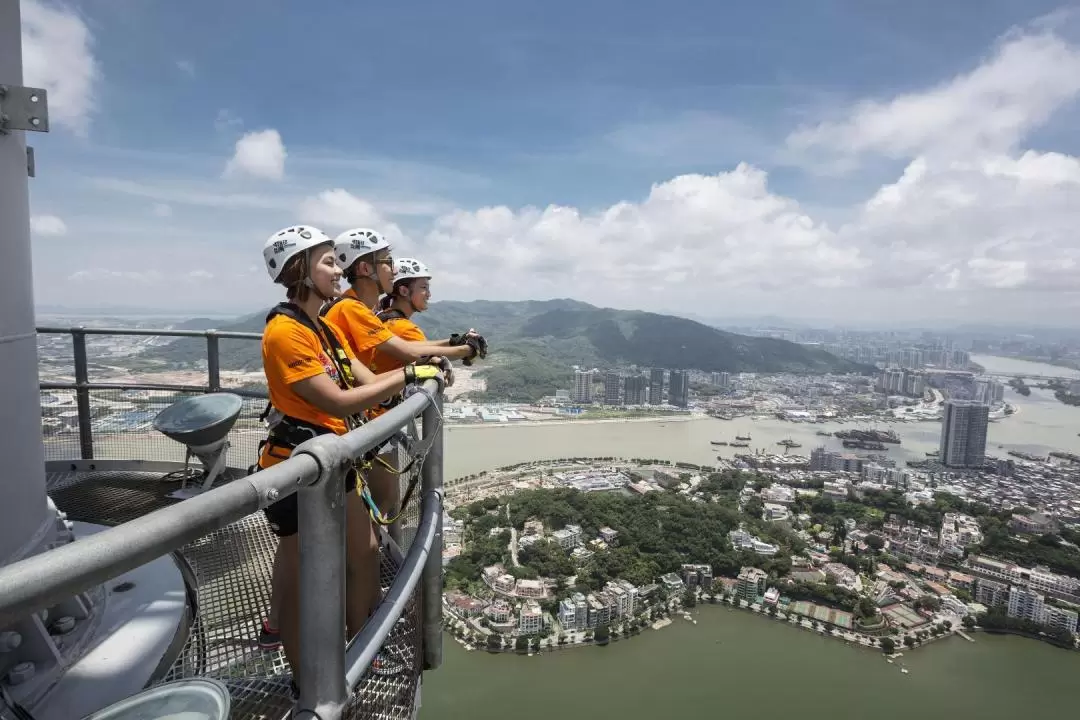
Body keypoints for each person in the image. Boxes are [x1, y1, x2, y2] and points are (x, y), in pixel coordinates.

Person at [253, 225, 447, 688]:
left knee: (367, 550)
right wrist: (408, 375)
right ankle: (312, 688)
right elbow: (338, 401)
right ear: (297, 269)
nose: (337, 269)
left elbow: (360, 378)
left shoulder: (320, 328)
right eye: (326, 262)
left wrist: (410, 370)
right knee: (305, 587)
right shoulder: (285, 333)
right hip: (297, 470)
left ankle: (360, 642)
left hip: (335, 461)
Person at [322, 229, 486, 538]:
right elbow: (409, 350)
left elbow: (402, 352)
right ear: (366, 269)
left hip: (360, 416)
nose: (393, 267)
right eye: (387, 261)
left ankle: (371, 555)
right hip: (364, 419)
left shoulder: (367, 311)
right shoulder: (352, 308)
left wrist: (452, 344)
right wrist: (464, 350)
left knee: (372, 504)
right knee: (380, 503)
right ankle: (373, 561)